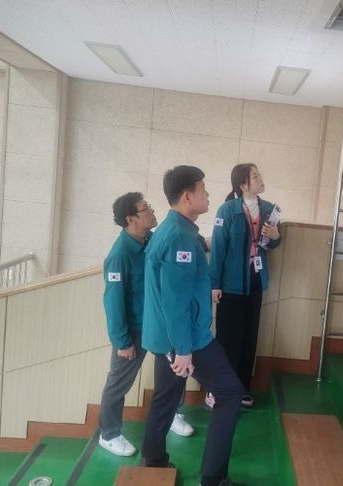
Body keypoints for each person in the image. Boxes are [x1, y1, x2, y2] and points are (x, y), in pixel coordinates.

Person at [141, 166, 244, 486]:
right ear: (187, 196)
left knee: (165, 398)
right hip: (189, 340)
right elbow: (175, 301)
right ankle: (213, 478)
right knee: (229, 394)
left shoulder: (175, 230)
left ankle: (153, 462)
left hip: (168, 338)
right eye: (203, 188)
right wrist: (183, 350)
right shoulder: (179, 239)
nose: (208, 194)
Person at [98, 192, 194, 458]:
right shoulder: (119, 255)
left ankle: (172, 413)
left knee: (175, 371)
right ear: (131, 219)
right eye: (145, 208)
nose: (152, 211)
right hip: (135, 330)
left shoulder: (151, 239)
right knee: (118, 382)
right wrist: (122, 341)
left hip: (159, 322)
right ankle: (109, 434)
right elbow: (113, 302)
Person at [207, 163, 281, 409]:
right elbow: (218, 250)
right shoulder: (227, 210)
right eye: (255, 176)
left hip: (256, 282)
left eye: (259, 175)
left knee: (250, 337)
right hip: (230, 285)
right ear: (243, 184)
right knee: (227, 338)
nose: (260, 179)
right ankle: (218, 390)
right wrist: (214, 283)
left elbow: (271, 244)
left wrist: (276, 237)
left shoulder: (269, 209)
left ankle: (241, 389)